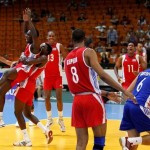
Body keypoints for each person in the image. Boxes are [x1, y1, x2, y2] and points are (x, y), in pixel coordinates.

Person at [64, 28, 136, 150]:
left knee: (80, 143)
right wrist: (124, 90)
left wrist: (106, 93)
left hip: (77, 101)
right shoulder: (88, 52)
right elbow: (102, 75)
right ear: (84, 39)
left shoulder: (66, 59)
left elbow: (79, 87)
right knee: (99, 140)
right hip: (92, 100)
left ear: (72, 40)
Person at [0, 8, 42, 127]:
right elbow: (26, 32)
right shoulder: (28, 44)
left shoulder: (35, 47)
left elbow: (33, 34)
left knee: (7, 73)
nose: (26, 35)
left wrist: (30, 20)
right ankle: (0, 119)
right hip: (20, 70)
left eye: (28, 35)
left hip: (24, 72)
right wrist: (25, 22)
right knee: (1, 92)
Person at [12, 43, 53, 146]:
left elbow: (27, 61)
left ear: (47, 51)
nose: (41, 47)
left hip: (26, 84)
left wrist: (23, 56)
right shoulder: (40, 56)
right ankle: (46, 131)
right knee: (27, 114)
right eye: (41, 45)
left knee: (17, 112)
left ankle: (27, 139)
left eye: (43, 47)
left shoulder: (43, 57)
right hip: (30, 85)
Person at [43, 31, 68, 132]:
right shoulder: (43, 47)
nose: (51, 37)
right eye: (50, 36)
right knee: (46, 98)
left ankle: (60, 119)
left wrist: (66, 68)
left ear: (55, 37)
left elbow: (66, 57)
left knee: (59, 97)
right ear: (47, 37)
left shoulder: (59, 46)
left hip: (57, 76)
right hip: (47, 76)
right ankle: (49, 119)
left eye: (53, 36)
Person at [119, 68, 150, 150]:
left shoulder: (143, 73)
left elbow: (128, 91)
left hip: (129, 105)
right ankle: (130, 141)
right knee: (133, 141)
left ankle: (130, 142)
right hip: (141, 106)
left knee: (132, 146)